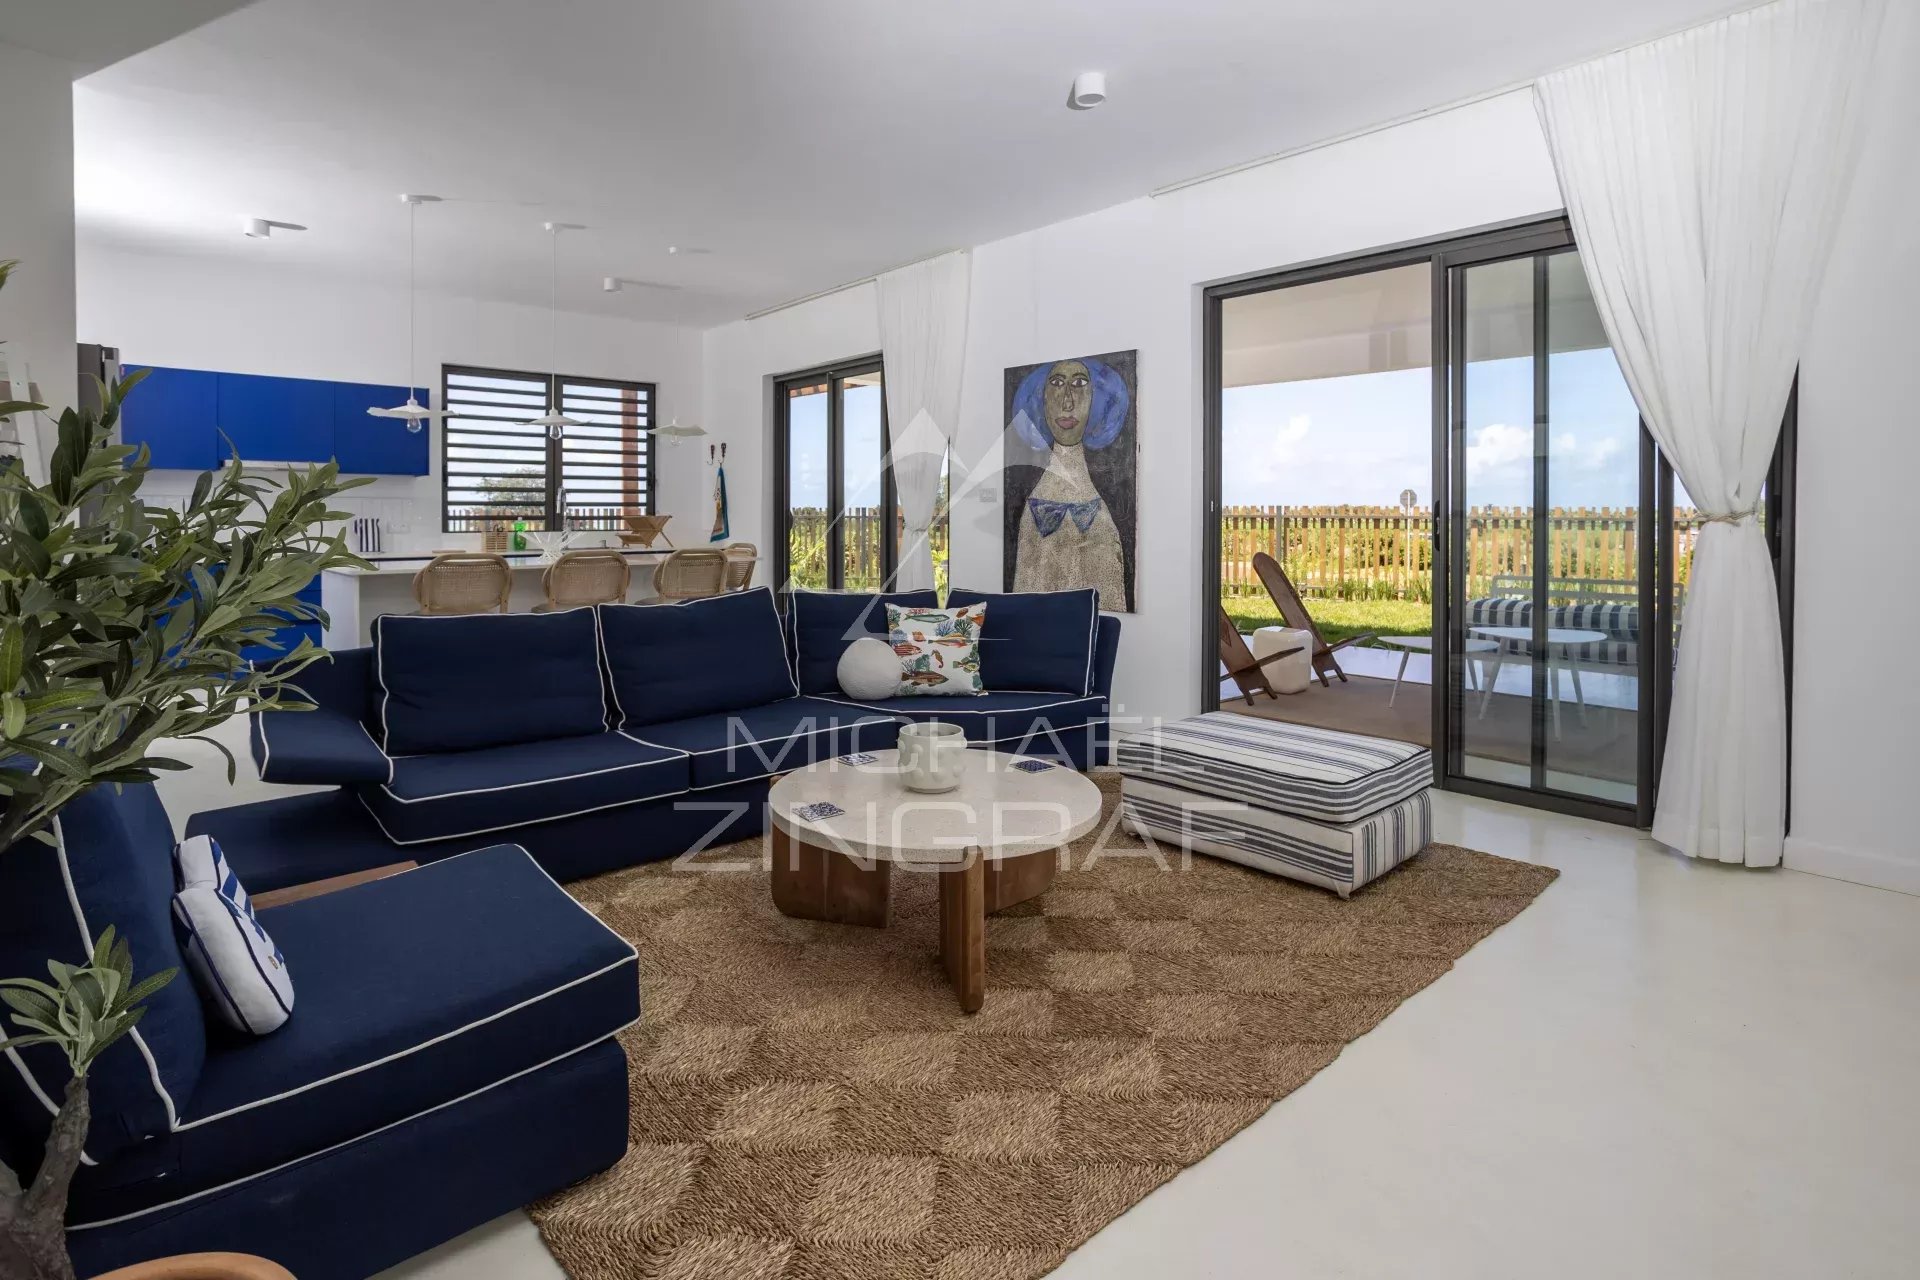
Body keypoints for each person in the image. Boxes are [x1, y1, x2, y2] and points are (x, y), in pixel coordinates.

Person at [1007, 357, 1131, 609]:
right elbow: (1020, 604)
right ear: (1041, 398)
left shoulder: (1103, 518)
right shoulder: (1031, 514)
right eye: (1056, 383)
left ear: (1096, 399)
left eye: (1079, 383)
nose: (1067, 401)